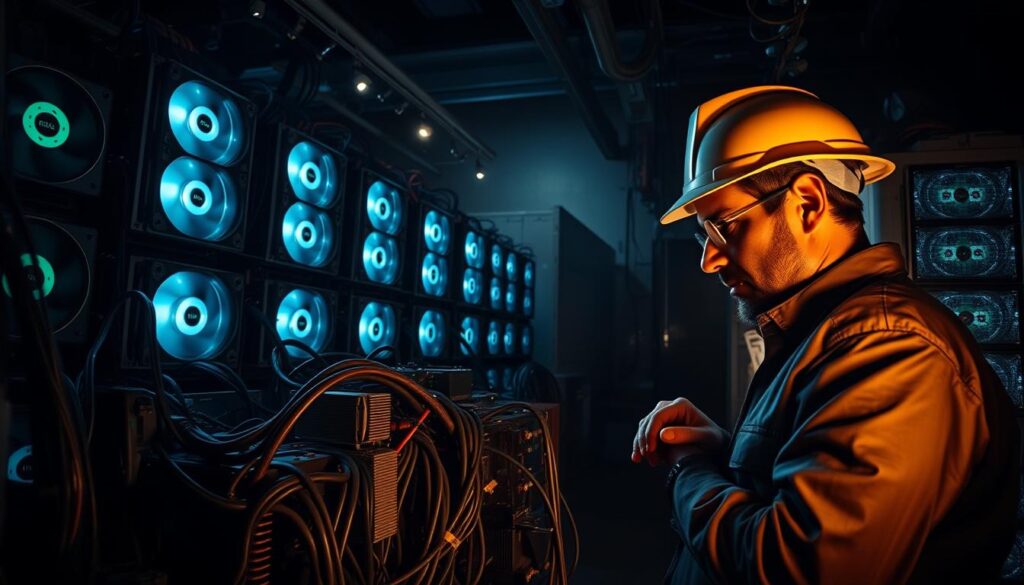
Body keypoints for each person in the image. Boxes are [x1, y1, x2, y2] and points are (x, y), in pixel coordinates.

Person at [632, 85, 1020, 584]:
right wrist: (724, 453)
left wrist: (691, 472)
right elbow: (797, 495)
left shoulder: (890, 347)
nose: (710, 259)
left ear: (808, 203)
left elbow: (803, 568)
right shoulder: (830, 335)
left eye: (723, 227)